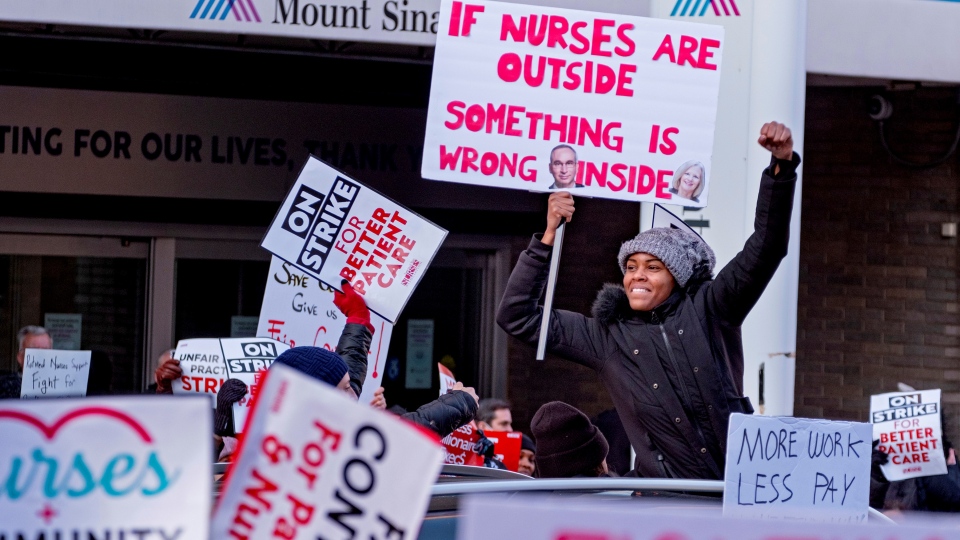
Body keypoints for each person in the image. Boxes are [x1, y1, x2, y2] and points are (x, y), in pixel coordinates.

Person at [497, 122, 800, 480]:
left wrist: (781, 168)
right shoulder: (605, 336)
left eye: (653, 267)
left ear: (678, 275)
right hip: (664, 507)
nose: (637, 275)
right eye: (631, 266)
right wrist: (547, 236)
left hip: (738, 493)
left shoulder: (713, 307)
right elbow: (518, 316)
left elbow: (766, 248)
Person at [531, 401, 609, 478]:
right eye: (604, 456)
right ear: (598, 463)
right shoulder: (612, 488)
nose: (607, 463)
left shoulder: (528, 488)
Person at [1, 326, 54, 399]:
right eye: (34, 350)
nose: (40, 355)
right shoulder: (4, 386)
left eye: (45, 350)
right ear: (20, 357)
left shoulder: (64, 385)